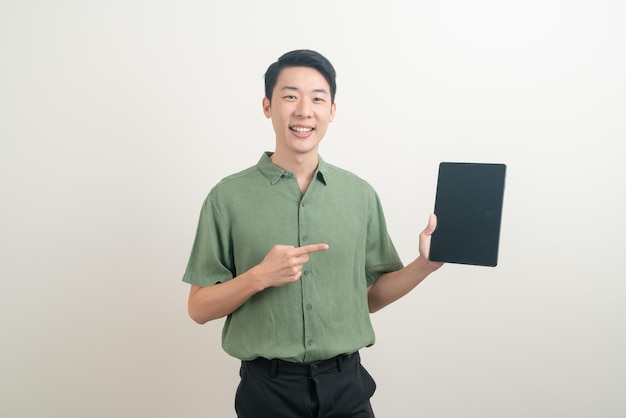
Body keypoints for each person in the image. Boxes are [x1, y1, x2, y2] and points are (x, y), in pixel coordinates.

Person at [183, 49, 444, 418]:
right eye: (290, 96)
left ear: (332, 111)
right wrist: (259, 276)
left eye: (317, 98)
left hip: (347, 388)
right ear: (267, 106)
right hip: (267, 392)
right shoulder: (226, 198)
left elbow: (367, 298)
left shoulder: (359, 195)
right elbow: (198, 308)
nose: (304, 110)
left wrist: (425, 265)